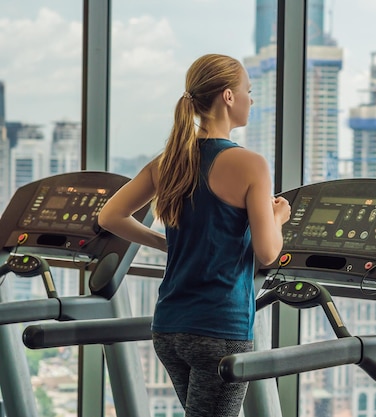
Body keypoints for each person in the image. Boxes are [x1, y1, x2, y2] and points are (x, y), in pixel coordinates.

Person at [97, 53, 291, 417]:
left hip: (169, 327)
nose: (252, 99)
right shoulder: (250, 164)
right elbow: (267, 253)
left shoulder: (168, 160)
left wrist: (162, 243)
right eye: (248, 91)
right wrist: (278, 216)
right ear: (228, 96)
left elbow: (110, 215)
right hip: (219, 330)